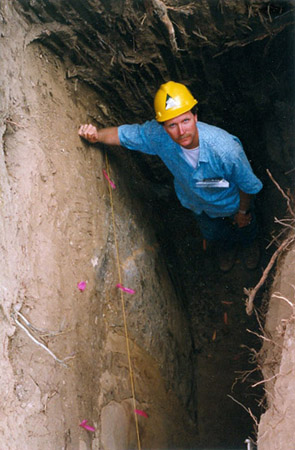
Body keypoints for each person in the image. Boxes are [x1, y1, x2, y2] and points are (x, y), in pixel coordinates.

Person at [79, 81, 263, 272]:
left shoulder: (225, 149)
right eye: (172, 125)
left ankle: (249, 245)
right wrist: (96, 135)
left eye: (186, 121)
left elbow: (247, 185)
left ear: (195, 116)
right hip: (197, 205)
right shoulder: (159, 136)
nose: (181, 131)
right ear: (163, 127)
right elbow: (124, 135)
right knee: (215, 233)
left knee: (246, 228)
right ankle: (227, 249)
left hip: (232, 204)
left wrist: (242, 213)